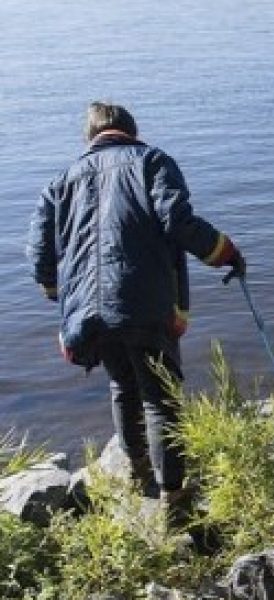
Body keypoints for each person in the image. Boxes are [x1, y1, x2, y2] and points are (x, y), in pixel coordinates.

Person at [26, 102, 245, 513]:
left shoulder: (59, 182)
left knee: (122, 385)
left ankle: (139, 470)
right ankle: (175, 499)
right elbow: (177, 222)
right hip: (142, 301)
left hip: (86, 312)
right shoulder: (152, 161)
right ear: (132, 130)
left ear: (90, 138)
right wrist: (226, 252)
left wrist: (57, 291)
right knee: (160, 398)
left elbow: (39, 252)